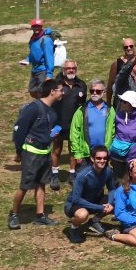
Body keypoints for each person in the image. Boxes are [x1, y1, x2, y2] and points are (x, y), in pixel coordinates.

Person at [9, 79, 63, 230]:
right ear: (53, 91)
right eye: (60, 90)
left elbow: (48, 131)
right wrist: (19, 151)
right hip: (31, 153)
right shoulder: (33, 108)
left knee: (41, 184)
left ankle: (40, 215)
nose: (62, 93)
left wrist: (53, 134)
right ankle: (14, 215)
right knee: (25, 186)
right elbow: (19, 130)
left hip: (45, 153)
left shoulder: (52, 111)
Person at [64, 145, 117, 243]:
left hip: (94, 201)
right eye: (99, 158)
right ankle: (74, 228)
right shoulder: (82, 175)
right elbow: (76, 199)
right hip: (75, 204)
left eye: (105, 158)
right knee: (82, 214)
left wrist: (109, 203)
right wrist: (100, 208)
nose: (102, 161)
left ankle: (94, 221)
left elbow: (112, 189)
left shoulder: (108, 171)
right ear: (92, 159)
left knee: (117, 199)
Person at [52, 59, 87, 189]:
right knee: (56, 150)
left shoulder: (81, 85)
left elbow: (83, 104)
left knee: (74, 149)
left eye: (73, 68)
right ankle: (54, 174)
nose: (70, 70)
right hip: (58, 124)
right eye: (68, 68)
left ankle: (72, 174)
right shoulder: (56, 84)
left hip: (74, 125)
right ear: (63, 70)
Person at [69, 79, 114, 169]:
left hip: (103, 154)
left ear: (103, 92)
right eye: (92, 91)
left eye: (97, 91)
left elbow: (113, 131)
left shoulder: (110, 109)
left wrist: (109, 149)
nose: (94, 93)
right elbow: (74, 132)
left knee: (102, 181)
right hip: (86, 154)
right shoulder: (82, 109)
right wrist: (77, 153)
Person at [25, 18, 54, 95]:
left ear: (42, 26)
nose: (36, 28)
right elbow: (33, 53)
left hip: (43, 70)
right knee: (32, 91)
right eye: (34, 26)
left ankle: (43, 106)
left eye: (38, 26)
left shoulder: (46, 40)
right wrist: (27, 60)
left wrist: (49, 74)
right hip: (35, 69)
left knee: (41, 92)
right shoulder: (33, 38)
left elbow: (49, 58)